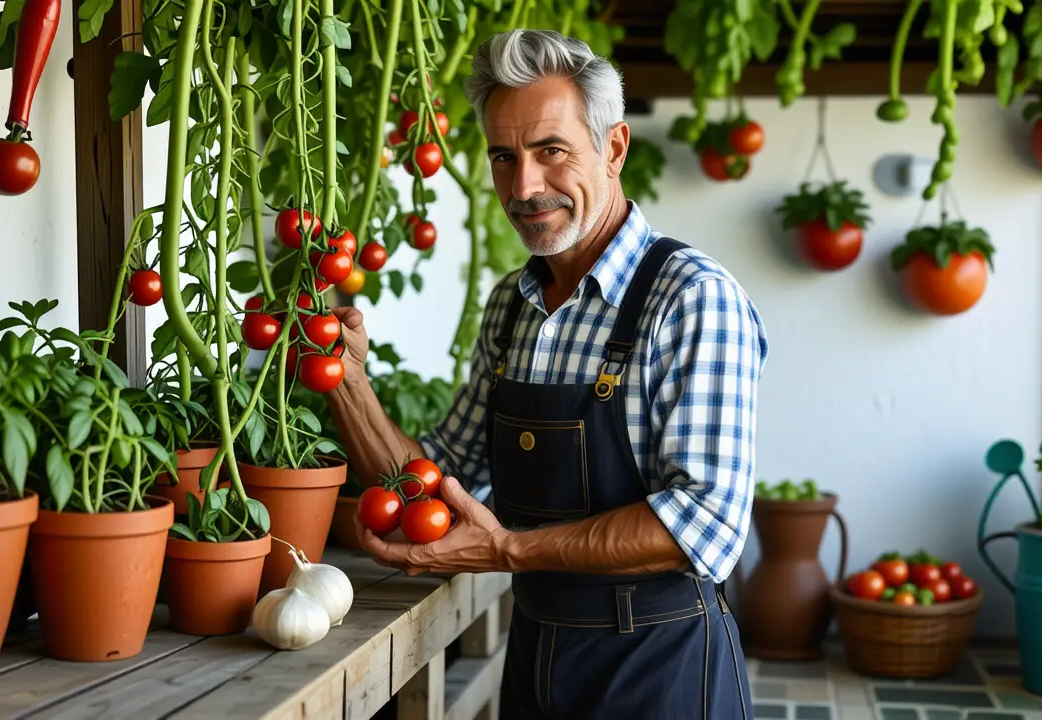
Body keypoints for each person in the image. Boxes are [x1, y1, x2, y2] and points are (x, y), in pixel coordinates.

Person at [326, 28, 768, 720]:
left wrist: (506, 547)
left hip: (662, 671)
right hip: (536, 662)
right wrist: (347, 381)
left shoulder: (691, 297)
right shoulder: (510, 306)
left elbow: (704, 524)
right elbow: (431, 482)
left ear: (614, 147)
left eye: (550, 151)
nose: (524, 186)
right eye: (504, 157)